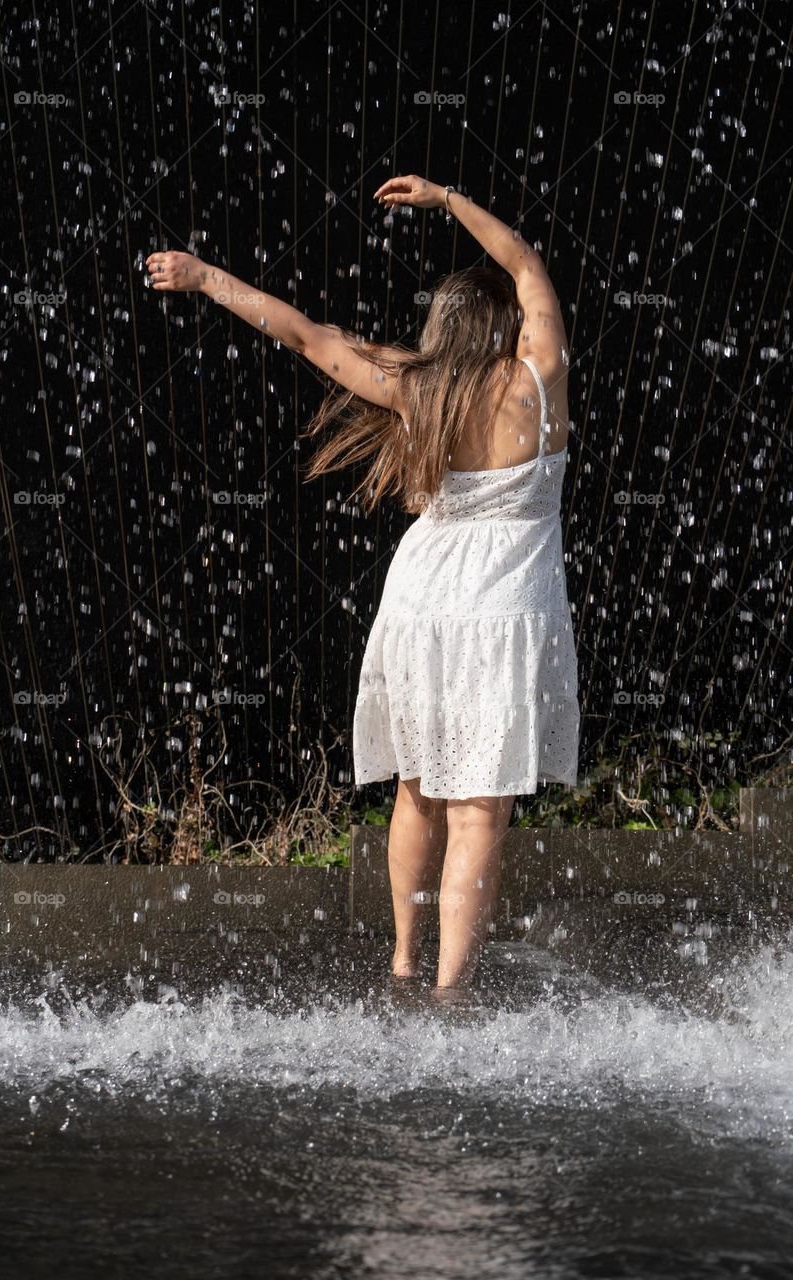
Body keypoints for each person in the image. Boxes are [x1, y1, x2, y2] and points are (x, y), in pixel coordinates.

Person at [145, 174, 580, 998]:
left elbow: (307, 337)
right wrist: (451, 199)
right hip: (502, 609)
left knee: (417, 790)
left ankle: (403, 963)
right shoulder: (538, 376)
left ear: (441, 329)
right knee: (477, 810)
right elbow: (523, 261)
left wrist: (206, 278)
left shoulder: (415, 388)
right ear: (505, 327)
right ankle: (450, 991)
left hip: (420, 603)